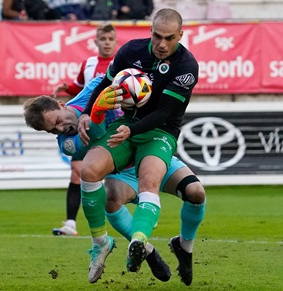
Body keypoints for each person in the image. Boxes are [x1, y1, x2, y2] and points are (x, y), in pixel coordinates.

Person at [24, 77, 205, 285]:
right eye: (52, 131)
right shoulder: (67, 144)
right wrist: (98, 114)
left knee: (196, 192)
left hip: (149, 151)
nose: (61, 130)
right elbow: (100, 137)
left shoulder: (93, 89)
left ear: (61, 104)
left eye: (57, 122)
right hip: (122, 172)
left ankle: (184, 246)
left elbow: (118, 77)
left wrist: (125, 85)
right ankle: (144, 249)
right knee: (111, 198)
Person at [76, 8, 200, 284]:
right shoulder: (130, 51)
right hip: (125, 129)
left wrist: (130, 128)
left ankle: (142, 241)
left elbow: (163, 113)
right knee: (88, 170)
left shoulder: (186, 66)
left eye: (169, 38)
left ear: (181, 35)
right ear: (150, 31)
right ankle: (100, 243)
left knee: (153, 182)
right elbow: (105, 83)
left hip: (160, 132)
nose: (162, 44)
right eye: (157, 36)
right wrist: (86, 111)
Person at [51, 23, 118, 236]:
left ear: (115, 42)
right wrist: (66, 88)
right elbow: (80, 88)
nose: (107, 43)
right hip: (83, 126)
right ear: (96, 41)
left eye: (110, 39)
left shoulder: (120, 63)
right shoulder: (88, 64)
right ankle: (70, 223)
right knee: (77, 172)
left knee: (111, 177)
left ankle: (119, 219)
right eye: (103, 39)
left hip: (110, 125)